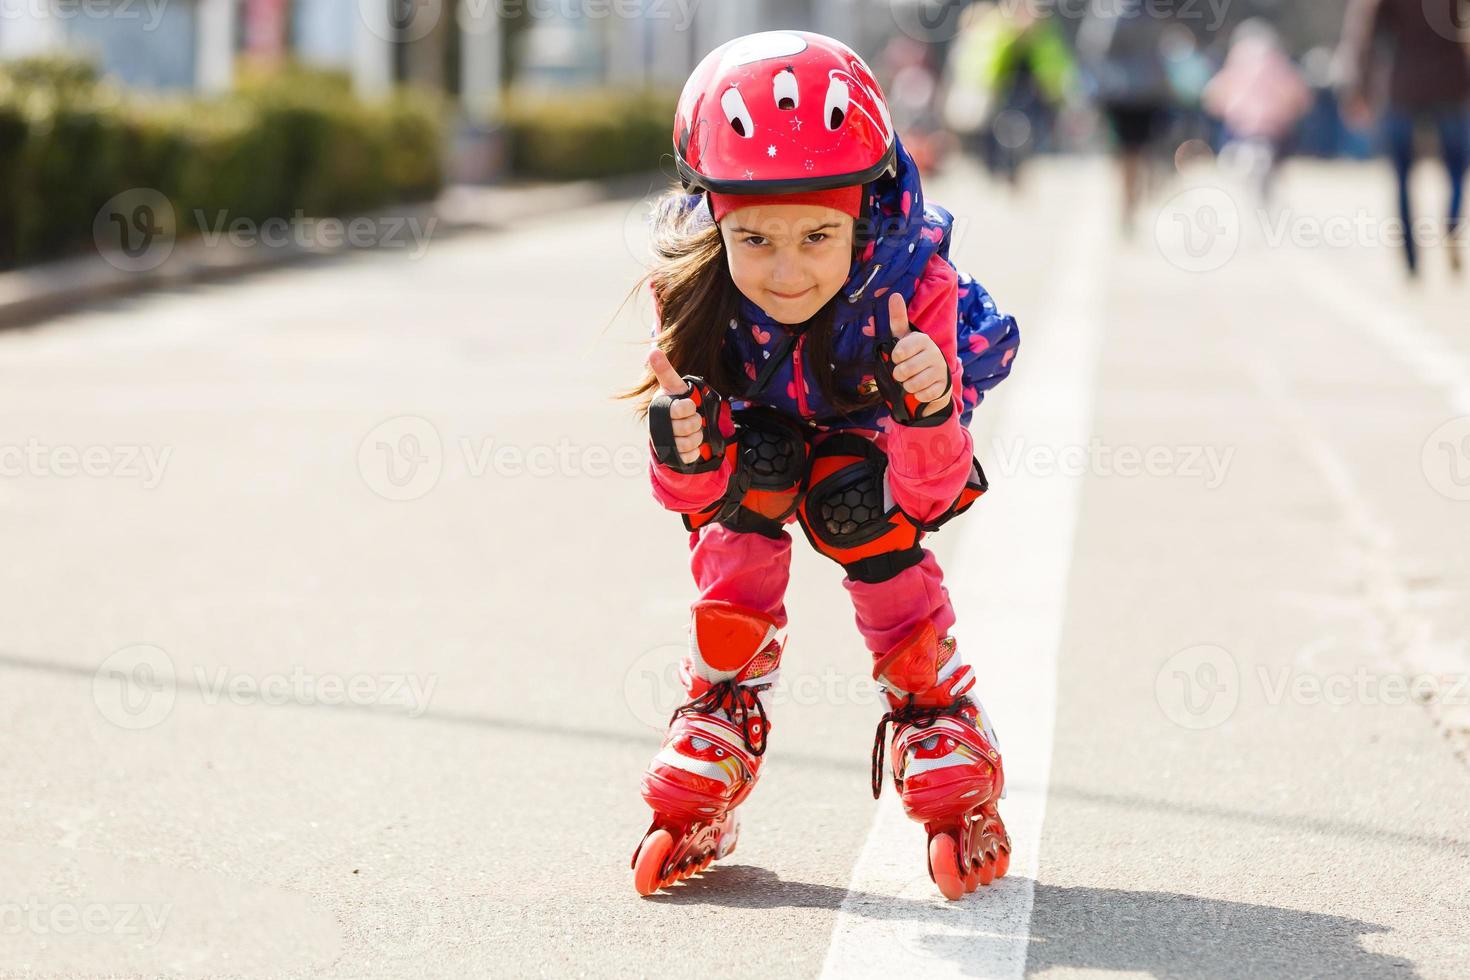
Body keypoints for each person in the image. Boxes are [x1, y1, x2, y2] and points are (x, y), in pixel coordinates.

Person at [617, 30, 1021, 900]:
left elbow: (934, 491)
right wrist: (681, 446)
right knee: (751, 470)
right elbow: (691, 496)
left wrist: (927, 407)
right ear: (714, 217)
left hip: (878, 447)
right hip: (764, 440)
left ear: (864, 213)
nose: (786, 271)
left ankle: (934, 705)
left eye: (816, 235)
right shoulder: (692, 285)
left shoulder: (916, 287)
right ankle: (722, 696)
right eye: (753, 239)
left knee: (855, 503)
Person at [1338, 0, 1470, 277]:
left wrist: (1358, 89)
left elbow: (1364, 35)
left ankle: (1411, 260)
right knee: (1457, 170)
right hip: (1451, 84)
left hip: (1403, 87)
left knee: (1402, 178)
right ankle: (1452, 225)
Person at [1076, 0, 1179, 235]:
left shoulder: (1109, 11)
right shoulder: (1154, 11)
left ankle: (1128, 201)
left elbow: (1095, 46)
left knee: (1127, 152)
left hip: (1123, 92)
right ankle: (1132, 199)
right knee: (1140, 151)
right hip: (1148, 90)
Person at [1203, 19, 1312, 206]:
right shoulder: (1277, 61)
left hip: (1241, 123)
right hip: (1274, 125)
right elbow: (1297, 92)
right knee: (1274, 161)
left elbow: (1215, 91)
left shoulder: (1237, 60)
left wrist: (1220, 107)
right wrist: (1296, 109)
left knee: (1238, 160)